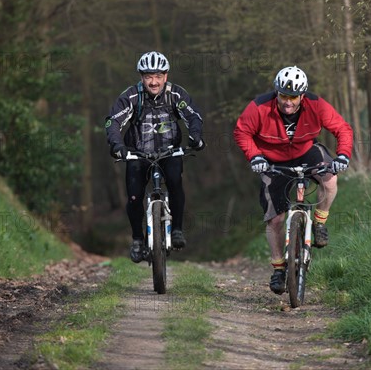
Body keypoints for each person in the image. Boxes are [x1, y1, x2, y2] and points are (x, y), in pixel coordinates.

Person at [233, 65, 353, 294]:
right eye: (284, 96)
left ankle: (319, 223)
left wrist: (343, 155)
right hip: (271, 159)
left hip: (306, 150)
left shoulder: (316, 104)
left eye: (294, 97)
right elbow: (242, 131)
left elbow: (342, 129)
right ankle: (279, 268)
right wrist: (255, 156)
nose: (288, 102)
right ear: (276, 92)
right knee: (275, 219)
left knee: (330, 180)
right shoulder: (259, 106)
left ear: (302, 95)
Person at [105, 51, 204, 263]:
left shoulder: (176, 94)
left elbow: (193, 116)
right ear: (141, 77)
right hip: (137, 154)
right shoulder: (130, 96)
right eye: (149, 76)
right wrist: (117, 145)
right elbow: (112, 122)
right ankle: (138, 239)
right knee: (134, 196)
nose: (154, 81)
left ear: (165, 76)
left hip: (170, 151)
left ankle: (176, 229)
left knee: (175, 182)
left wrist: (195, 137)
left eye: (158, 76)